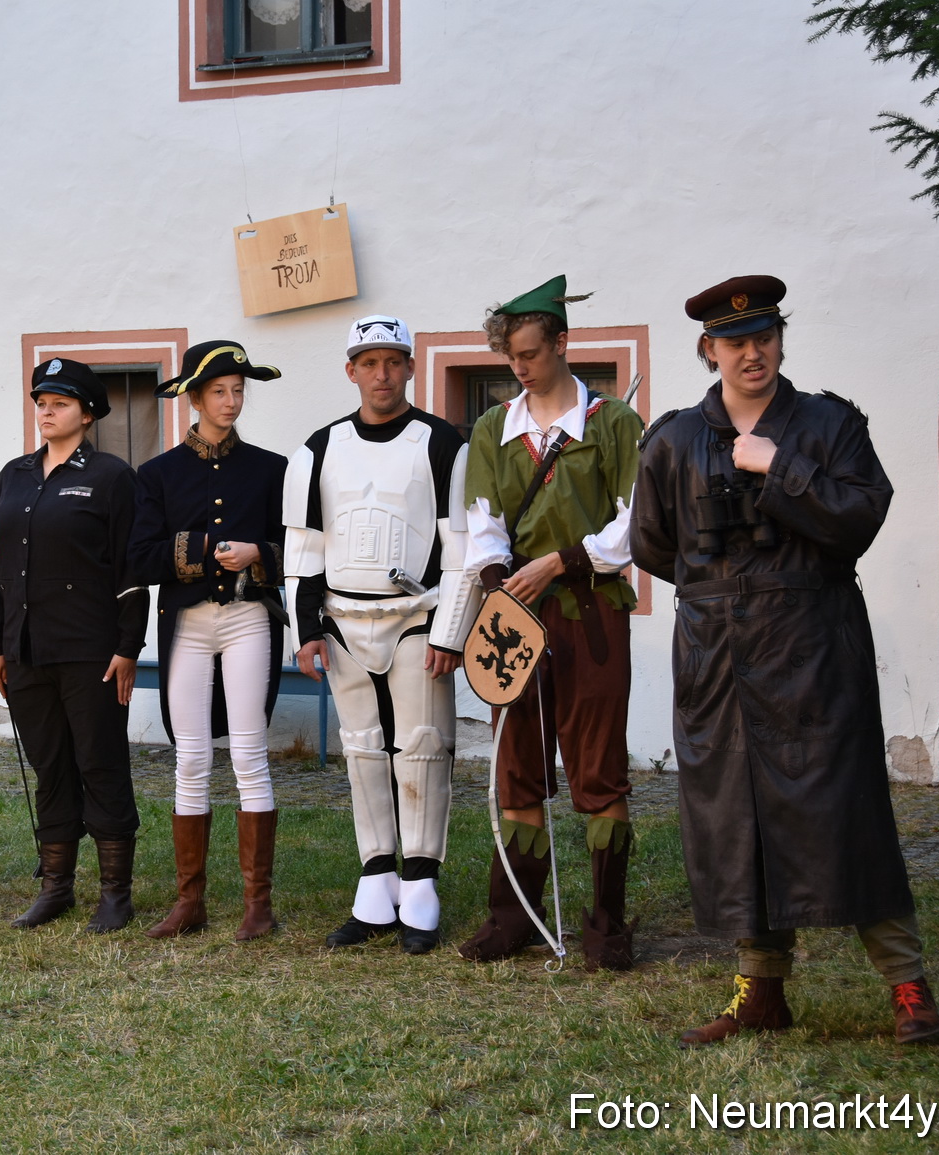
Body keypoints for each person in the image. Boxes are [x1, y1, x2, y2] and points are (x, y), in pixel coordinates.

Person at [631, 275, 939, 1045]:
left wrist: (781, 469)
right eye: (736, 342)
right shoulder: (672, 440)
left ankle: (908, 985)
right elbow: (654, 545)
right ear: (709, 350)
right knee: (739, 824)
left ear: (779, 339)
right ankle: (760, 990)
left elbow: (860, 517)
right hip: (720, 660)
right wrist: (725, 594)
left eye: (765, 337)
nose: (753, 353)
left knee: (848, 816)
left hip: (816, 654)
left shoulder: (831, 425)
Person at [456, 276, 643, 971]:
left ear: (562, 343)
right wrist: (503, 589)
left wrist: (563, 561)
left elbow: (635, 524)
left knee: (600, 770)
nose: (520, 367)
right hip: (516, 613)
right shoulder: (492, 430)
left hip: (592, 611)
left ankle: (607, 926)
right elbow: (482, 527)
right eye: (511, 357)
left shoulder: (614, 423)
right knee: (517, 765)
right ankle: (516, 917)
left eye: (531, 353)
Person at [284, 316, 480, 954]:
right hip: (343, 623)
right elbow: (304, 550)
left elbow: (462, 549)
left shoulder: (443, 443)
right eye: (369, 362)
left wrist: (450, 632)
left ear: (411, 367)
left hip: (417, 619)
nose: (382, 374)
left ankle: (421, 888)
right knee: (363, 750)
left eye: (393, 361)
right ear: (351, 370)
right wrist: (305, 630)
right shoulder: (318, 449)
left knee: (422, 748)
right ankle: (376, 884)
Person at [0, 357, 148, 933]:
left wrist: (128, 646)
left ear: (88, 413)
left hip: (91, 649)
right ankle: (56, 888)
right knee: (49, 765)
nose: (47, 412)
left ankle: (115, 894)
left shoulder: (110, 476)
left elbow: (131, 567)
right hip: (25, 649)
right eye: (41, 403)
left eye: (60, 404)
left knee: (100, 763)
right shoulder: (14, 474)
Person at [129, 340, 288, 941]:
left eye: (238, 390)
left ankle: (257, 905)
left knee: (249, 754)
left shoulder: (271, 469)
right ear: (195, 398)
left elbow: (297, 549)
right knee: (191, 758)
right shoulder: (158, 474)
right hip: (188, 626)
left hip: (248, 617)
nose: (231, 401)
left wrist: (257, 552)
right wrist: (201, 549)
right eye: (219, 391)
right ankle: (188, 902)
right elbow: (141, 557)